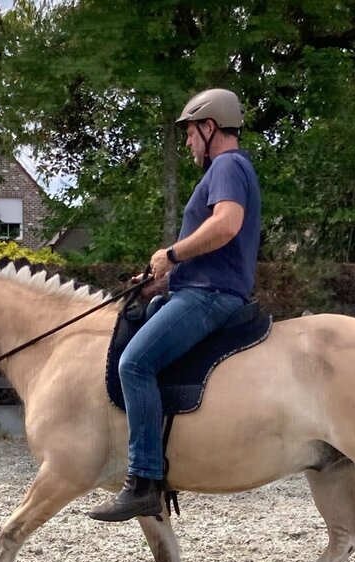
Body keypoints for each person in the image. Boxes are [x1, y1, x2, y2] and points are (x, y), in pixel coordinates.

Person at [89, 87, 262, 522]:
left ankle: (144, 479)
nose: (187, 142)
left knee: (134, 364)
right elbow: (214, 247)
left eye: (190, 132)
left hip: (209, 297)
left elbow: (226, 224)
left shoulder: (226, 164)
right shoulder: (228, 168)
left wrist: (171, 255)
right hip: (197, 288)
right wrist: (160, 280)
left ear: (210, 127)